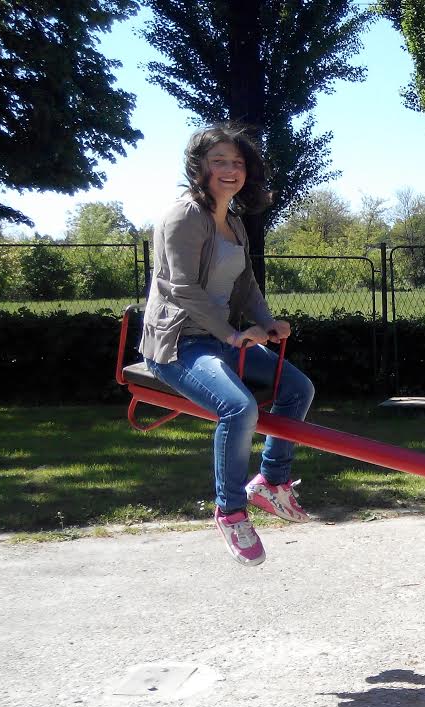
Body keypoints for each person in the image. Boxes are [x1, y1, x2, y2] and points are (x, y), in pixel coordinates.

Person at [138, 124, 315, 566]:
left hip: (222, 339)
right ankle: (230, 511)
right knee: (238, 408)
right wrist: (233, 335)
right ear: (198, 167)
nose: (230, 169)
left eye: (237, 162)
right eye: (218, 161)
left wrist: (266, 321)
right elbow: (182, 289)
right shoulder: (183, 216)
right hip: (180, 344)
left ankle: (271, 481)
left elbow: (246, 283)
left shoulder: (234, 221)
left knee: (298, 388)